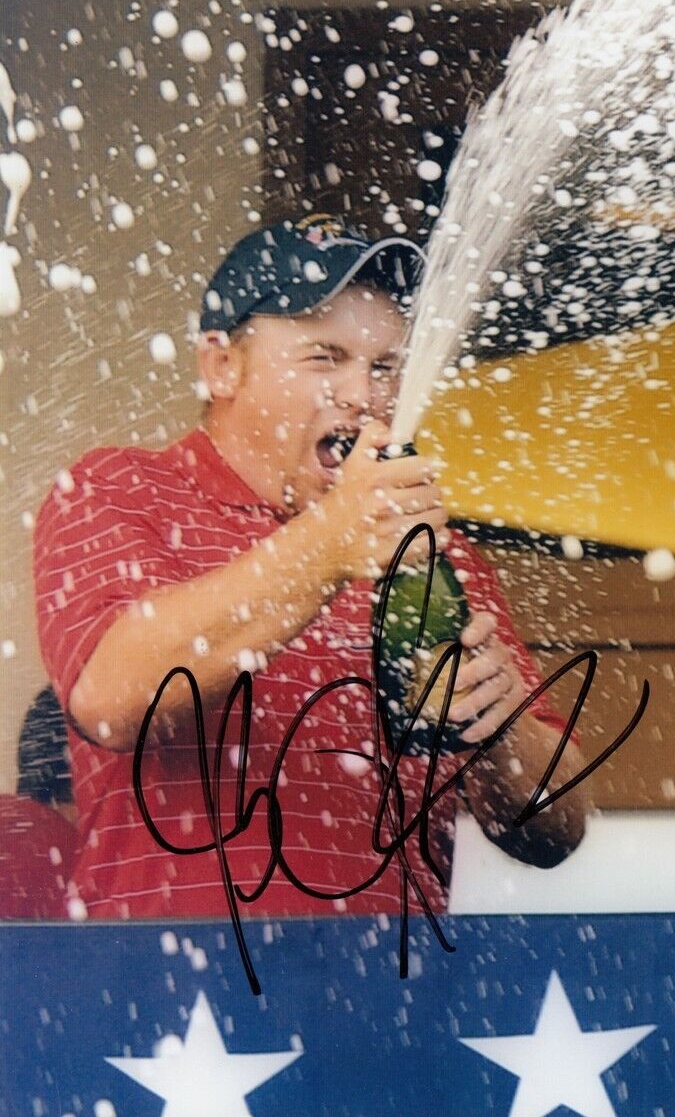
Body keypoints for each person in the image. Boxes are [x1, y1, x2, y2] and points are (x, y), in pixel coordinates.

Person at [31, 216, 589, 920]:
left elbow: (555, 831)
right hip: (175, 1002)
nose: (364, 395)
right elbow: (110, 696)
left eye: (384, 365)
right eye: (326, 357)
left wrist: (503, 724)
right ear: (220, 366)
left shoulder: (430, 547)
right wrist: (330, 545)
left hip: (393, 997)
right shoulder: (117, 487)